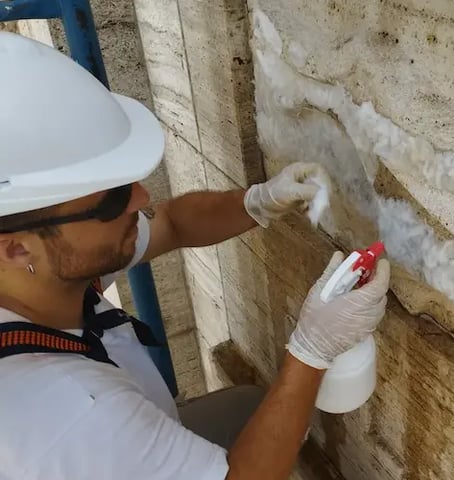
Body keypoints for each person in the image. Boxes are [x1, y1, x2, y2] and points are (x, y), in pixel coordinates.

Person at [0, 32, 390, 479]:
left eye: (127, 183)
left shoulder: (38, 266)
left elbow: (171, 224)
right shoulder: (64, 415)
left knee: (245, 407)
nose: (142, 198)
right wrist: (311, 351)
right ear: (14, 247)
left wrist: (258, 201)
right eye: (112, 201)